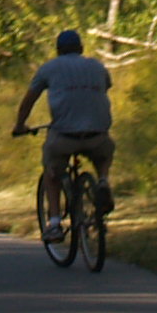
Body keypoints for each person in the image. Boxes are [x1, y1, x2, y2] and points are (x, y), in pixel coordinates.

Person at [12, 29, 116, 212]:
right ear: (81, 48)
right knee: (104, 154)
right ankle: (103, 181)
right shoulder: (97, 66)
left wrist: (20, 125)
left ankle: (54, 222)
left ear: (58, 50)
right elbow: (104, 88)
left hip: (64, 137)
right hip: (98, 136)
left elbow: (29, 100)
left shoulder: (49, 68)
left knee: (52, 173)